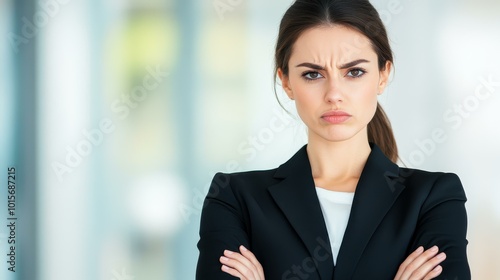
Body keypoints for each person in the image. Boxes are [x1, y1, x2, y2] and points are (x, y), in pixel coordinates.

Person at [196, 0, 471, 279]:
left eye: (354, 72)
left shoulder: (434, 198)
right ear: (287, 81)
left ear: (383, 75)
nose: (334, 94)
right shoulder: (234, 198)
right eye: (313, 74)